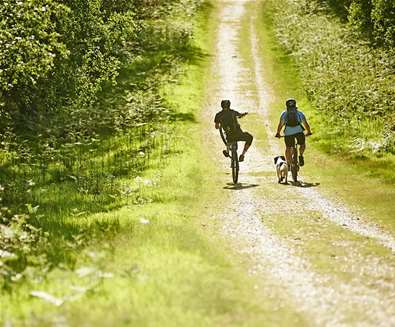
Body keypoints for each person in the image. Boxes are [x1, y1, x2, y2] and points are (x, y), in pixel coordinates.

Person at [275, 98, 312, 166]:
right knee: (302, 144)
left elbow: (281, 124)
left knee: (288, 148)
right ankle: (300, 155)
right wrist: (309, 131)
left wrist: (278, 133)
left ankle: (288, 163)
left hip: (288, 133)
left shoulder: (284, 114)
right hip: (299, 132)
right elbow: (305, 123)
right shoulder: (299, 113)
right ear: (295, 105)